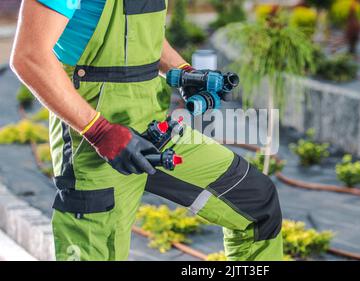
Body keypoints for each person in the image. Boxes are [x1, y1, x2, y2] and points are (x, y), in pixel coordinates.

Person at [10, 0, 283, 261]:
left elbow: (142, 33)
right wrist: (100, 131)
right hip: (93, 141)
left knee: (256, 203)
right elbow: (29, 56)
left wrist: (183, 72)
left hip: (153, 126)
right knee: (100, 247)